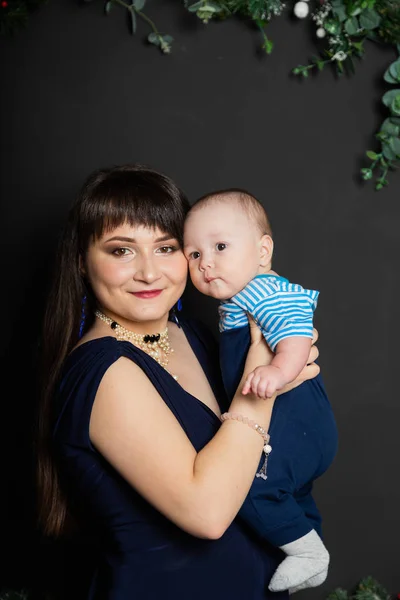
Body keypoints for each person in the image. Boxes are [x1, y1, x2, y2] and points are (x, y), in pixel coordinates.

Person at [36, 164, 321, 600]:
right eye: (121, 251)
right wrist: (263, 381)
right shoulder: (103, 370)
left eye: (167, 248)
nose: (150, 273)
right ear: (81, 262)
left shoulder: (193, 334)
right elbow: (207, 512)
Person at [183, 189, 338, 593]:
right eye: (194, 254)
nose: (206, 263)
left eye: (219, 247)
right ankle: (310, 541)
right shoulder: (240, 296)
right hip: (299, 429)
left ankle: (307, 554)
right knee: (294, 493)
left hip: (293, 415)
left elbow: (297, 334)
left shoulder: (263, 290)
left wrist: (276, 371)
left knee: (250, 487)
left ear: (263, 250)